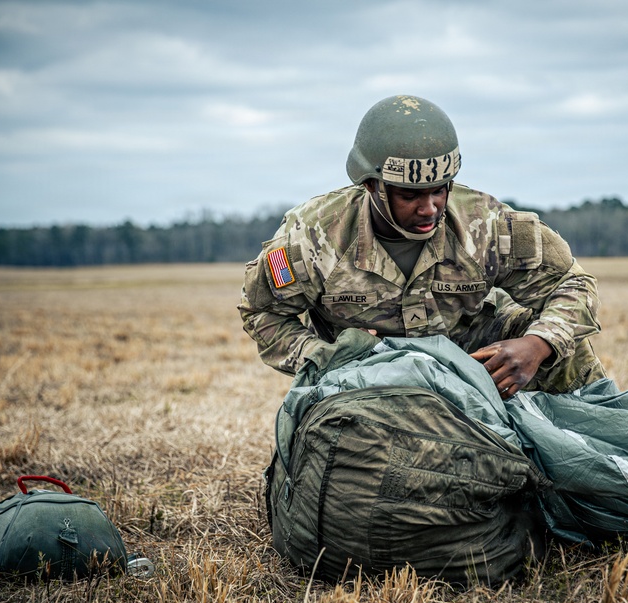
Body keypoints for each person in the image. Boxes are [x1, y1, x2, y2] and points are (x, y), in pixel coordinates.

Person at [238, 94, 606, 398]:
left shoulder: (487, 224)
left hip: (473, 359)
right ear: (371, 186)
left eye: (440, 189)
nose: (429, 207)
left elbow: (572, 284)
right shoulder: (313, 236)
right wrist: (326, 357)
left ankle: (613, 450)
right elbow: (262, 313)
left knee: (562, 350)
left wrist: (539, 344)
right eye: (410, 195)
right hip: (368, 375)